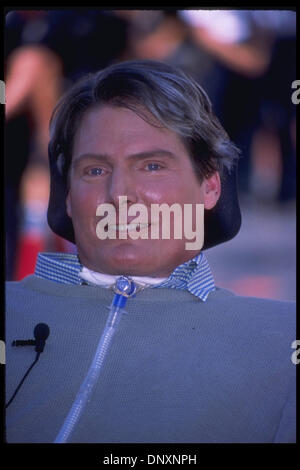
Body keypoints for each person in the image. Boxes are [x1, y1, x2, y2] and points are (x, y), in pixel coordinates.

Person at [5, 59, 295, 443]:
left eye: (152, 166)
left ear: (210, 186)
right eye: (95, 170)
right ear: (69, 197)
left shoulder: (281, 338)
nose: (121, 195)